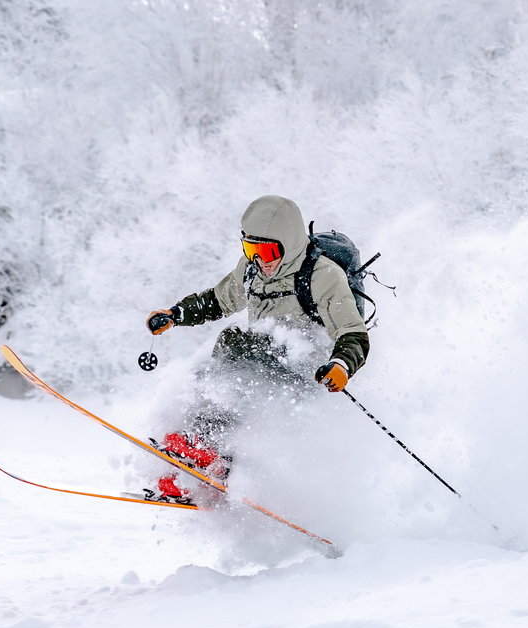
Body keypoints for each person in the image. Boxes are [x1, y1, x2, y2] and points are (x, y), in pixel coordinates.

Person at [142, 195, 370, 504]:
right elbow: (218, 300)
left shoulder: (323, 275)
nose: (260, 260)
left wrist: (341, 366)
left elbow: (352, 332)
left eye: (267, 251)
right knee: (209, 369)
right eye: (251, 250)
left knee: (238, 345)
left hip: (309, 369)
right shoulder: (252, 272)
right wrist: (176, 314)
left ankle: (212, 448)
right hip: (263, 362)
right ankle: (194, 463)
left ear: (288, 245)